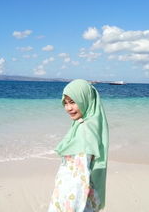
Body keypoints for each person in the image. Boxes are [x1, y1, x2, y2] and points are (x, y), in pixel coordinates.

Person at [48, 79, 109, 212]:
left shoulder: (85, 130)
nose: (68, 108)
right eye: (65, 103)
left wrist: (71, 207)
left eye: (73, 102)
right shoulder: (87, 124)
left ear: (85, 100)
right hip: (75, 196)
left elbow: (79, 178)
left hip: (72, 200)